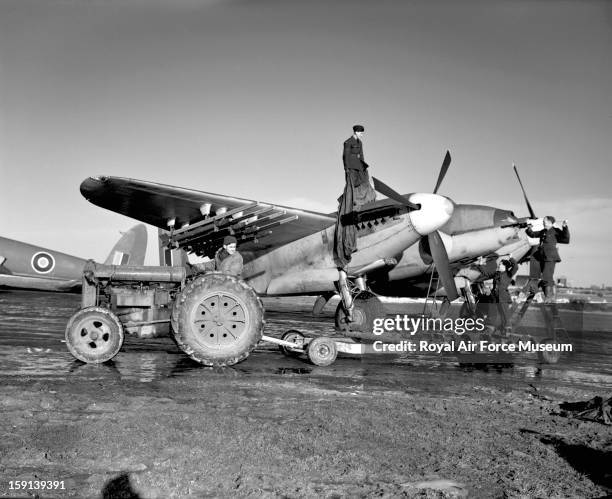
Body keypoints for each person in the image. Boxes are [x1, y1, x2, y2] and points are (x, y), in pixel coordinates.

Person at [526, 216, 570, 301]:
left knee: (547, 277)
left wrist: (564, 227)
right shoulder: (543, 231)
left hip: (550, 257)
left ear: (550, 222)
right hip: (541, 256)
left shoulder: (556, 231)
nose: (543, 222)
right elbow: (533, 234)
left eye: (544, 221)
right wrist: (529, 228)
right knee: (539, 277)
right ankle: (542, 294)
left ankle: (549, 297)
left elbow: (566, 238)